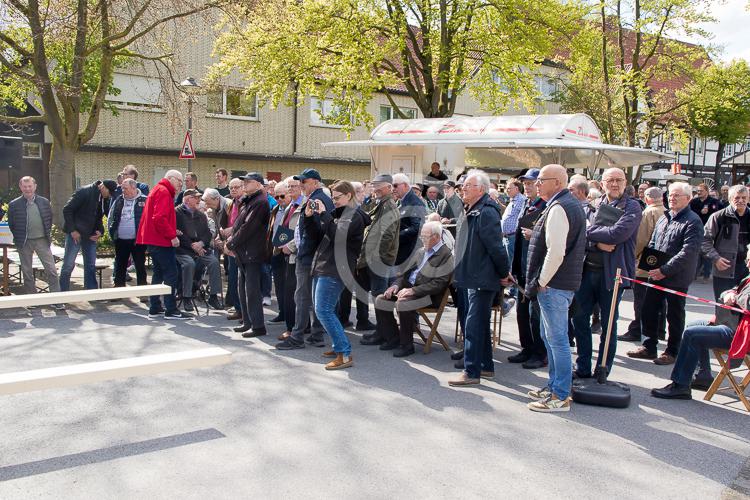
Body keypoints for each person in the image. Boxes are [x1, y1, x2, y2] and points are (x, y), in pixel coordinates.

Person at [524, 164, 586, 413]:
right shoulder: (565, 204)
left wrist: (541, 281)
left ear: (557, 182)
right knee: (550, 338)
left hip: (554, 285)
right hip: (558, 284)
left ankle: (560, 395)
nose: (537, 184)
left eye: (541, 180)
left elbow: (556, 251)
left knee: (557, 340)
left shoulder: (560, 207)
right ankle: (554, 387)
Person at [571, 168, 642, 378]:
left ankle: (603, 368)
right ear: (602, 183)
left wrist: (590, 233)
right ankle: (582, 366)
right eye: (610, 180)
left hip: (613, 274)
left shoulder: (633, 207)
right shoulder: (593, 205)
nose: (614, 184)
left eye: (618, 180)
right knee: (580, 319)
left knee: (609, 322)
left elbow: (618, 234)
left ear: (625, 182)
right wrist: (598, 244)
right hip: (586, 271)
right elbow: (578, 236)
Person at [651, 254, 750, 400]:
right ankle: (703, 375)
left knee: (693, 334)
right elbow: (734, 289)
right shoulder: (747, 278)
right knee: (693, 325)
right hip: (733, 325)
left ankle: (680, 385)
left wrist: (735, 297)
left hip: (740, 334)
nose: (747, 264)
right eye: (748, 259)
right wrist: (730, 292)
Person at [628, 182, 703, 364]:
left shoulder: (693, 221)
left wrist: (664, 270)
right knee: (649, 309)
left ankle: (672, 351)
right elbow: (653, 243)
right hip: (656, 274)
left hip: (677, 277)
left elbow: (688, 252)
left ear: (688, 198)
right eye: (670, 195)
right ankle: (649, 346)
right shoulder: (664, 217)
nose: (672, 198)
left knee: (674, 315)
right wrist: (650, 266)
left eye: (677, 195)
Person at [449, 170, 511, 387]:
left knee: (474, 324)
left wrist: (504, 273)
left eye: (467, 186)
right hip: (472, 275)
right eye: (463, 186)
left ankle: (471, 371)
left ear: (481, 189)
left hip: (481, 277)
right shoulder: (473, 209)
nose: (463, 189)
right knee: (480, 323)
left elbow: (496, 247)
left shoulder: (486, 212)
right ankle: (485, 366)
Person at [304, 181, 368, 369]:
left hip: (336, 269)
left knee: (323, 311)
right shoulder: (339, 215)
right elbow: (318, 235)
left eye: (337, 198)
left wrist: (324, 214)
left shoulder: (354, 216)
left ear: (349, 195)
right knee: (323, 310)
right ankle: (338, 345)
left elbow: (338, 235)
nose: (334, 201)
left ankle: (344, 353)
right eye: (332, 198)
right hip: (325, 266)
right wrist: (309, 217)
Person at [375, 221, 454, 357]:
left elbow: (439, 284)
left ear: (436, 237)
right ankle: (393, 338)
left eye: (425, 236)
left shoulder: (446, 255)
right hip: (409, 290)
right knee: (381, 299)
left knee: (404, 303)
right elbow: (404, 274)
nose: (422, 239)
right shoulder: (421, 251)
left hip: (429, 297)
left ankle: (407, 345)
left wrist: (413, 291)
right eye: (421, 236)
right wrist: (395, 285)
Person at [275, 168, 334, 349]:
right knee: (312, 297)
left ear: (315, 182)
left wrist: (304, 248)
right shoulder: (315, 197)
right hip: (312, 254)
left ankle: (297, 336)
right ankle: (316, 335)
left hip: (310, 255)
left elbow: (319, 229)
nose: (301, 185)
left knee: (302, 297)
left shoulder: (318, 199)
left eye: (304, 181)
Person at [506, 168, 547, 369]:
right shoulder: (526, 204)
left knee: (535, 314)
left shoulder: (546, 206)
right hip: (522, 268)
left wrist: (536, 235)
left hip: (536, 270)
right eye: (526, 183)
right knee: (522, 312)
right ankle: (527, 348)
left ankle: (540, 353)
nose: (528, 186)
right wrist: (514, 269)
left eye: (531, 183)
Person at [138, 170, 191, 319]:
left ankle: (155, 307)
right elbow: (159, 218)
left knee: (158, 273)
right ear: (170, 179)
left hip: (154, 239)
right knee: (171, 274)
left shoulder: (158, 189)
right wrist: (172, 235)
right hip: (161, 240)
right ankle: (170, 309)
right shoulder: (164, 191)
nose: (181, 184)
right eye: (179, 181)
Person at [226, 172, 271, 337]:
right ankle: (247, 322)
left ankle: (258, 326)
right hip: (243, 253)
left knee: (252, 291)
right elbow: (239, 225)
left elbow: (248, 227)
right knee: (243, 290)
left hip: (252, 253)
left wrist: (231, 243)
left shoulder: (260, 202)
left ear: (259, 184)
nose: (244, 184)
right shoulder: (249, 201)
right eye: (244, 181)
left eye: (248, 181)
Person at [359, 174, 401, 345]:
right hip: (376, 258)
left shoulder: (389, 206)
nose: (375, 189)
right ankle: (381, 331)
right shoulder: (382, 204)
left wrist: (376, 258)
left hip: (379, 260)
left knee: (379, 297)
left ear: (389, 188)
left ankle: (384, 333)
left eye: (378, 186)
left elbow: (387, 235)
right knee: (378, 297)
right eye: (374, 185)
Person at [620, 186, 666, 342]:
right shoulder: (665, 211)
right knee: (658, 298)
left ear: (647, 198)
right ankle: (660, 329)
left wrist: (631, 255)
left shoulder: (649, 212)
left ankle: (637, 329)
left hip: (647, 260)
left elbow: (641, 239)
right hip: (660, 259)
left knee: (642, 298)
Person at [7, 176, 61, 299]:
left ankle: (57, 299)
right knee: (27, 272)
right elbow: (12, 224)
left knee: (51, 270)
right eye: (25, 186)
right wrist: (19, 236)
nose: (27, 189)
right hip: (24, 242)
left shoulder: (44, 202)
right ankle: (32, 299)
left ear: (35, 186)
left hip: (42, 240)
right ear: (20, 187)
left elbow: (49, 218)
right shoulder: (14, 205)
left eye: (30, 186)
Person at [60, 179, 117, 291]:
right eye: (109, 193)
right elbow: (67, 209)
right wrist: (72, 230)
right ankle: (62, 293)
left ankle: (91, 292)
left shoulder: (103, 198)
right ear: (103, 188)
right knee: (68, 264)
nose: (110, 196)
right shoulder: (84, 192)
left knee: (90, 265)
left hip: (90, 235)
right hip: (75, 234)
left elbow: (99, 216)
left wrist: (100, 231)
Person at [175, 189, 223, 311]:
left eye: (199, 198)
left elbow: (207, 234)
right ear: (186, 199)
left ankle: (213, 296)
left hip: (200, 248)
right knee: (189, 264)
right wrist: (192, 245)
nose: (198, 200)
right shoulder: (176, 213)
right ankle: (186, 297)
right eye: (195, 197)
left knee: (214, 262)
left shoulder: (201, 215)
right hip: (183, 249)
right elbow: (178, 234)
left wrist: (201, 243)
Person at [702, 185, 750, 301]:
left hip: (747, 270)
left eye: (744, 198)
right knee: (724, 310)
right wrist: (716, 258)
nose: (741, 201)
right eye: (737, 198)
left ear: (748, 199)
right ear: (729, 199)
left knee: (745, 309)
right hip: (724, 268)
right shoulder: (718, 217)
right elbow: (704, 241)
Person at [277, 176, 304, 339]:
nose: (291, 189)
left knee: (294, 294)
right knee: (289, 292)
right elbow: (285, 228)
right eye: (289, 186)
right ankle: (293, 326)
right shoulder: (290, 206)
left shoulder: (303, 204)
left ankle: (294, 328)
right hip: (286, 254)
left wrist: (290, 246)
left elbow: (303, 232)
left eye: (294, 186)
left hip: (297, 255)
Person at [108, 179, 147, 288]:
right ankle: (119, 290)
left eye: (125, 188)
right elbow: (111, 218)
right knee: (120, 266)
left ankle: (143, 292)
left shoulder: (145, 200)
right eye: (122, 188)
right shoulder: (119, 200)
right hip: (121, 240)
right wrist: (112, 234)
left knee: (140, 266)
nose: (122, 190)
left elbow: (150, 220)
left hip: (138, 241)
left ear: (134, 188)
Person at [266, 181, 291, 323]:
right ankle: (282, 312)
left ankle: (289, 315)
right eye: (276, 196)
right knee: (280, 285)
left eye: (282, 196)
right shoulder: (275, 209)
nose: (279, 199)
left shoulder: (293, 209)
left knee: (289, 287)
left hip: (288, 252)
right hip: (276, 252)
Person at [392, 173, 426, 266]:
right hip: (400, 250)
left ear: (405, 185)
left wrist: (395, 237)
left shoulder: (415, 202)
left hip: (408, 252)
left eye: (395, 185)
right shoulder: (402, 200)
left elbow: (417, 227)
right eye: (391, 186)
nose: (393, 189)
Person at [690, 183, 721, 282]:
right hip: (696, 229)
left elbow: (718, 214)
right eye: (698, 191)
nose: (699, 192)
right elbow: (691, 213)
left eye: (701, 191)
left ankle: (706, 275)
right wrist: (700, 211)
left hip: (709, 230)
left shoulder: (714, 202)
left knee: (707, 253)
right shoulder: (694, 202)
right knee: (695, 252)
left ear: (707, 191)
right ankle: (694, 274)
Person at [223, 178, 244, 320]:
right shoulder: (231, 203)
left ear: (243, 187)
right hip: (230, 245)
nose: (234, 190)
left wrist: (232, 231)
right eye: (231, 188)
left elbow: (243, 224)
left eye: (237, 187)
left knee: (241, 280)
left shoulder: (246, 202)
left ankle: (242, 310)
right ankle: (237, 307)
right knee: (232, 278)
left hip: (241, 246)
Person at [501, 179, 526, 268]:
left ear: (516, 188)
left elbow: (523, 218)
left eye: (509, 188)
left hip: (513, 236)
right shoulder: (513, 200)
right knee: (508, 259)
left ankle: (512, 279)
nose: (506, 190)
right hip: (508, 236)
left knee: (512, 260)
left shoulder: (521, 200)